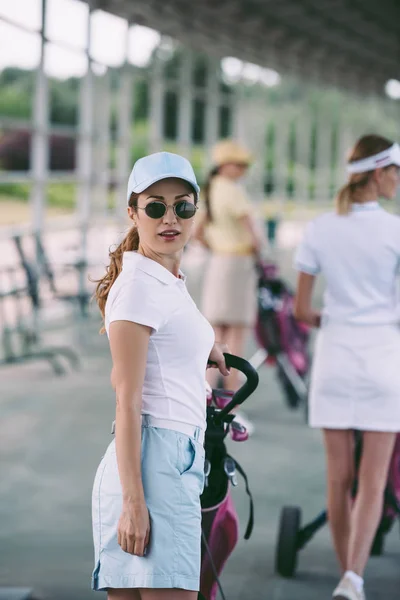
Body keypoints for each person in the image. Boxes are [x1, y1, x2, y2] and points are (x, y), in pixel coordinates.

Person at [91, 151, 230, 600]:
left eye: (182, 206)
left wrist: (203, 341)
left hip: (166, 460)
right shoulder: (137, 290)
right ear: (133, 212)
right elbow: (126, 400)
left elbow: (169, 320)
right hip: (155, 468)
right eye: (155, 206)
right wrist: (135, 503)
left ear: (195, 210)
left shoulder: (164, 277)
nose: (169, 218)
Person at [293, 134, 400, 600]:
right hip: (381, 358)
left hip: (334, 358)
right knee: (372, 481)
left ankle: (345, 577)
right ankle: (354, 578)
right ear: (379, 173)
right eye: (396, 171)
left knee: (338, 479)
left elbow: (300, 310)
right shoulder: (396, 231)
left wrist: (331, 319)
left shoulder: (319, 228)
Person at [194, 139, 263, 433]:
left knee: (214, 339)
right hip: (238, 266)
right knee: (236, 339)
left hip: (219, 264)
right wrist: (262, 258)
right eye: (239, 164)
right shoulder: (233, 192)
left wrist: (215, 246)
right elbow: (256, 236)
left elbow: (197, 231)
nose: (244, 170)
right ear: (226, 165)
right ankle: (232, 407)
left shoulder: (210, 190)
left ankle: (204, 402)